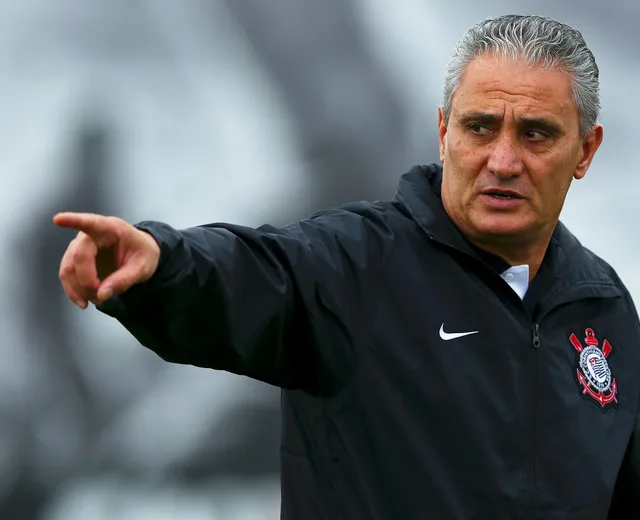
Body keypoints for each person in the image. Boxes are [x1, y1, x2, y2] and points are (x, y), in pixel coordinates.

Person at [54, 14, 640, 519]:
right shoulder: (360, 261)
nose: (504, 160)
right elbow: (256, 275)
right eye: (480, 128)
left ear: (584, 150)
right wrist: (161, 264)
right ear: (445, 132)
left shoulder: (601, 303)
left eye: (536, 135)